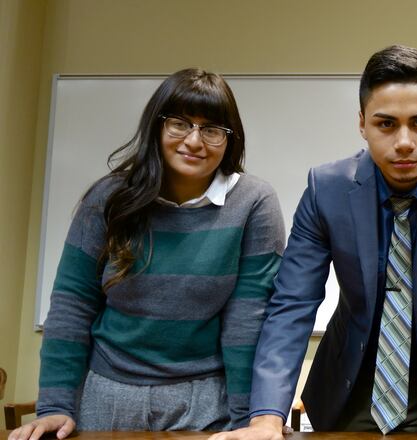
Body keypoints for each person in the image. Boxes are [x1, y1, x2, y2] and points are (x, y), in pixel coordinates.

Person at [210, 45, 417, 440]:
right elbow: (292, 304)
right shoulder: (326, 190)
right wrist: (266, 418)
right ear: (362, 124)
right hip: (348, 388)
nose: (405, 142)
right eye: (386, 124)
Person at [9, 68, 285, 440]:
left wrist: (248, 419)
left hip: (205, 402)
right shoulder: (108, 197)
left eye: (212, 129)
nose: (194, 141)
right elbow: (72, 305)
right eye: (179, 124)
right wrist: (55, 407)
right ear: (156, 126)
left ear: (230, 138)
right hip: (107, 397)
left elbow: (247, 320)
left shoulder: (253, 202)